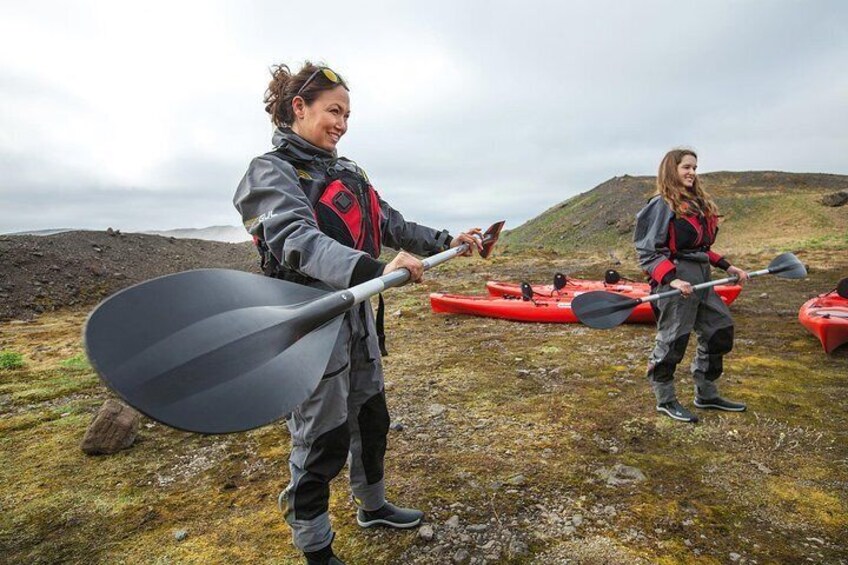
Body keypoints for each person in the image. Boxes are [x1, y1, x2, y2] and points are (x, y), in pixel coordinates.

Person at [233, 62, 481, 565]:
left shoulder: (348, 171)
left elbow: (389, 222)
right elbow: (294, 240)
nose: (342, 123)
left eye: (347, 113)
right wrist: (372, 268)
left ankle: (372, 506)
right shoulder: (270, 172)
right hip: (309, 319)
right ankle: (315, 544)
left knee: (371, 418)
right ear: (298, 107)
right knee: (321, 435)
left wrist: (445, 241)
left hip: (358, 313)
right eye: (333, 111)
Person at [634, 148, 750, 423]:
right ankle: (665, 399)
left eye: (695, 168)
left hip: (702, 279)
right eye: (686, 167)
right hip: (676, 281)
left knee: (720, 329)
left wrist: (727, 266)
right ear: (671, 169)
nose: (692, 173)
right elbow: (648, 251)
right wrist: (671, 278)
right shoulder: (661, 204)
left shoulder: (696, 204)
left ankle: (706, 393)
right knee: (673, 340)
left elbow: (700, 248)